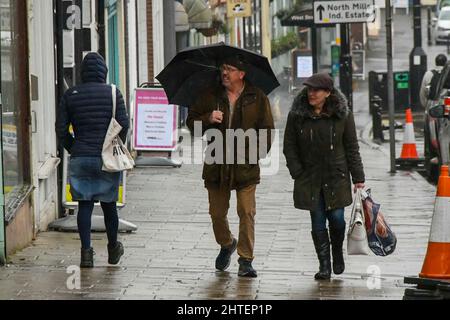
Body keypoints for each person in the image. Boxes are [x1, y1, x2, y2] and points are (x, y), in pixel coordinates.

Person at [187, 56, 275, 278]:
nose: (224, 73)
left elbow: (267, 130)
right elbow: (192, 126)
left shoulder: (257, 97)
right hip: (217, 164)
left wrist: (254, 154)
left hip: (245, 166)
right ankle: (227, 243)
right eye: (222, 68)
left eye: (229, 69)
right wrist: (208, 118)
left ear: (241, 73)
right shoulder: (210, 95)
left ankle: (246, 259)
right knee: (217, 213)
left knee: (246, 212)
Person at [283, 73, 365, 280]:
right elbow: (289, 146)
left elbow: (352, 147)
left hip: (335, 175)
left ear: (327, 93)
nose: (311, 93)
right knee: (317, 221)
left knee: (337, 219)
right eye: (309, 89)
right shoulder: (297, 115)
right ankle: (324, 266)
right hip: (309, 178)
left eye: (316, 90)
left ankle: (337, 251)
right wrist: (297, 171)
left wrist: (358, 177)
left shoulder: (342, 115)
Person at [56, 52, 129, 268]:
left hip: (81, 156)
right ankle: (113, 247)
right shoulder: (114, 93)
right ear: (103, 72)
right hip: (106, 158)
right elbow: (123, 124)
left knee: (84, 205)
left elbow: (61, 130)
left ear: (83, 72)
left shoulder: (70, 95)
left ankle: (86, 254)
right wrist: (113, 147)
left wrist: (74, 147)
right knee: (109, 205)